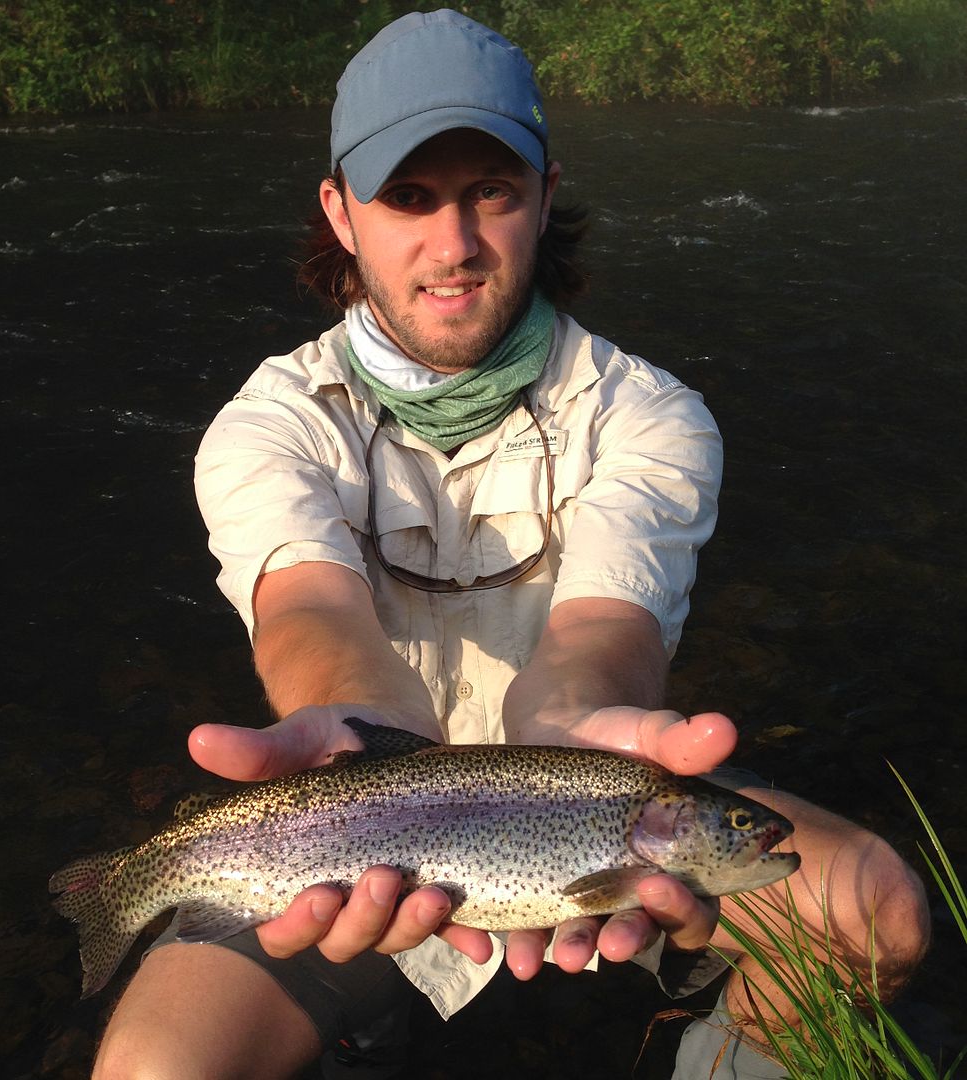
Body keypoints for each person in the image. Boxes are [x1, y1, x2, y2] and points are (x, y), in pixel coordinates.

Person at [92, 10, 929, 1079]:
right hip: (357, 848)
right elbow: (307, 610)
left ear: (544, 195)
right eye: (409, 197)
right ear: (340, 214)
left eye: (490, 192)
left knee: (882, 916)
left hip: (586, 805)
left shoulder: (650, 414)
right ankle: (366, 1016)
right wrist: (361, 727)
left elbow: (606, 629)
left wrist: (572, 715)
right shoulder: (268, 423)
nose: (454, 244)